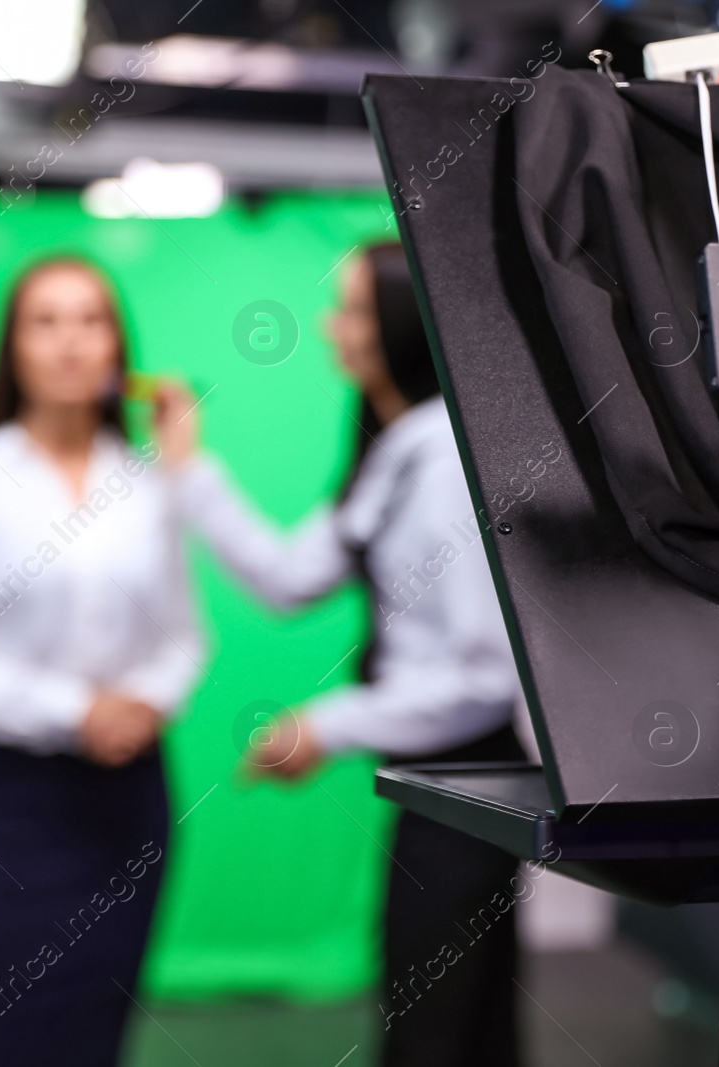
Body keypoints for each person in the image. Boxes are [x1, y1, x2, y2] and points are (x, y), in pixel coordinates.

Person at [152, 241, 525, 1067]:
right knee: (461, 1021)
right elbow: (290, 576)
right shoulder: (395, 451)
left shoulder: (443, 466)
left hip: (466, 783)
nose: (331, 328)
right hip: (431, 786)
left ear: (400, 321)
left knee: (437, 1031)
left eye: (351, 309)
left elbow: (482, 677)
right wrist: (190, 466)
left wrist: (324, 723)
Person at [0, 257, 205, 1067]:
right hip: (16, 804)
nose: (70, 342)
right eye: (46, 321)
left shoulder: (153, 482)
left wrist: (144, 703)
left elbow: (184, 638)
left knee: (91, 1037)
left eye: (90, 320)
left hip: (131, 798)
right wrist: (77, 711)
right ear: (13, 347)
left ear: (118, 345)